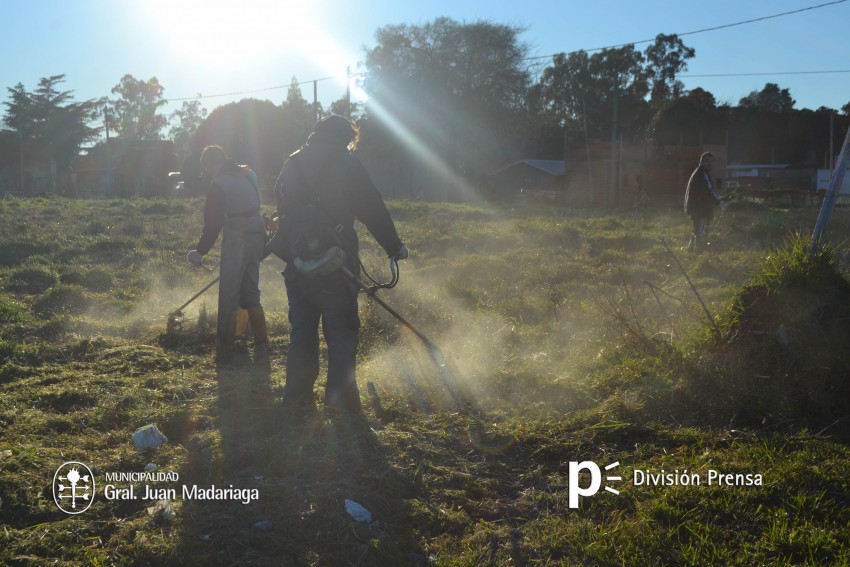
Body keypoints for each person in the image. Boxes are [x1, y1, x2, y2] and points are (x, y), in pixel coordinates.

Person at [271, 115, 408, 414]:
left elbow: (282, 211)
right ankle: (341, 405)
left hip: (297, 266)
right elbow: (372, 208)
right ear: (345, 138)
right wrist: (394, 247)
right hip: (337, 267)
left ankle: (296, 400)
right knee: (342, 333)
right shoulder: (346, 164)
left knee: (302, 332)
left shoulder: (291, 164)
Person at [187, 145, 269, 360]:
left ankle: (226, 348)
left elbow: (213, 224)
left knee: (229, 293)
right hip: (258, 233)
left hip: (239, 237)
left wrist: (200, 252)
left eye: (208, 167)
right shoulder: (248, 174)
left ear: (212, 164)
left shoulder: (219, 185)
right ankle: (261, 341)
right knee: (251, 288)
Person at [684, 151, 727, 253]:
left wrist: (719, 199)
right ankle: (699, 256)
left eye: (711, 161)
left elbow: (709, 191)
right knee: (701, 232)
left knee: (697, 229)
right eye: (707, 161)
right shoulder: (701, 175)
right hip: (700, 209)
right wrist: (719, 202)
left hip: (698, 207)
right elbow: (706, 193)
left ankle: (690, 251)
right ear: (701, 161)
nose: (709, 163)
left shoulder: (703, 173)